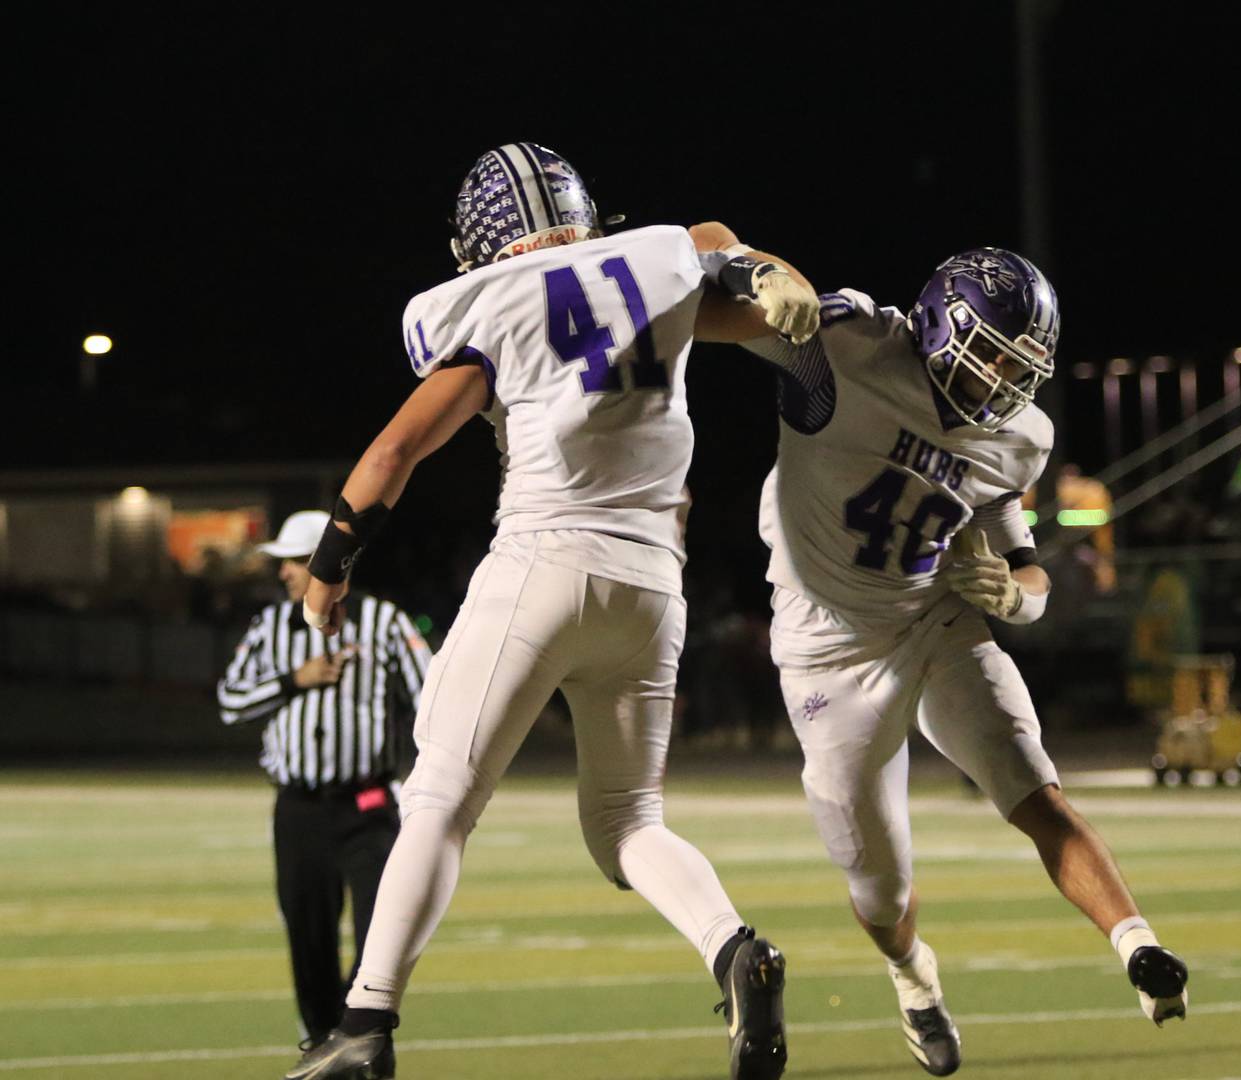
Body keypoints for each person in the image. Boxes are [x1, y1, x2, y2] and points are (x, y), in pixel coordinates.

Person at [285, 143, 819, 1080]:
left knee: (440, 797)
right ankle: (736, 950)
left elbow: (396, 451)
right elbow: (721, 257)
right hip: (653, 586)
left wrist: (332, 560)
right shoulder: (658, 273)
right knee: (628, 821)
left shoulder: (499, 308)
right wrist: (765, 267)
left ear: (486, 239)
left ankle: (365, 1026)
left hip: (543, 562)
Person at [722, 244, 1189, 1075]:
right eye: (988, 362)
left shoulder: (1019, 436)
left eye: (1019, 371)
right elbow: (707, 296)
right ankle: (912, 976)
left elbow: (1028, 570)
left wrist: (1013, 598)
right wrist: (750, 272)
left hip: (934, 621)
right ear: (942, 330)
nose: (1001, 388)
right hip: (827, 649)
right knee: (882, 893)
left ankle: (1137, 943)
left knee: (1031, 784)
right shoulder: (852, 348)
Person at [217, 509, 432, 1047]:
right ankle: (320, 1040)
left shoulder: (384, 621)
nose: (285, 573)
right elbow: (230, 701)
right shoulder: (270, 627)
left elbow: (433, 698)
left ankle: (361, 1036)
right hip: (299, 808)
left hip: (368, 804)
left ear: (331, 563)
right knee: (307, 934)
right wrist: (293, 680)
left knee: (379, 935)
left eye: (295, 561)